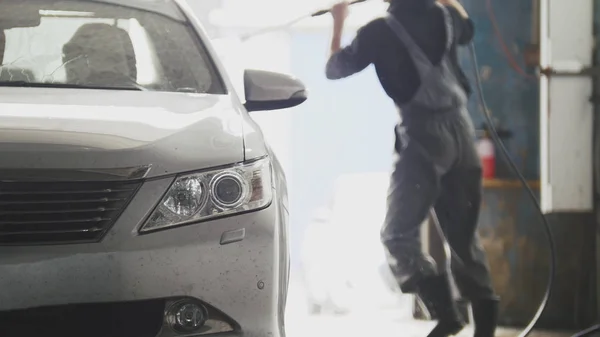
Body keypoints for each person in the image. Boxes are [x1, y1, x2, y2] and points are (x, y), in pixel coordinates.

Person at [324, 1, 499, 337]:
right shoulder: (445, 16)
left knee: (397, 235)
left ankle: (447, 317)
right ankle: (485, 332)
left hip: (423, 136)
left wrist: (338, 21)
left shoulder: (377, 31)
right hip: (463, 134)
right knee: (464, 239)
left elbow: (334, 68)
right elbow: (469, 29)